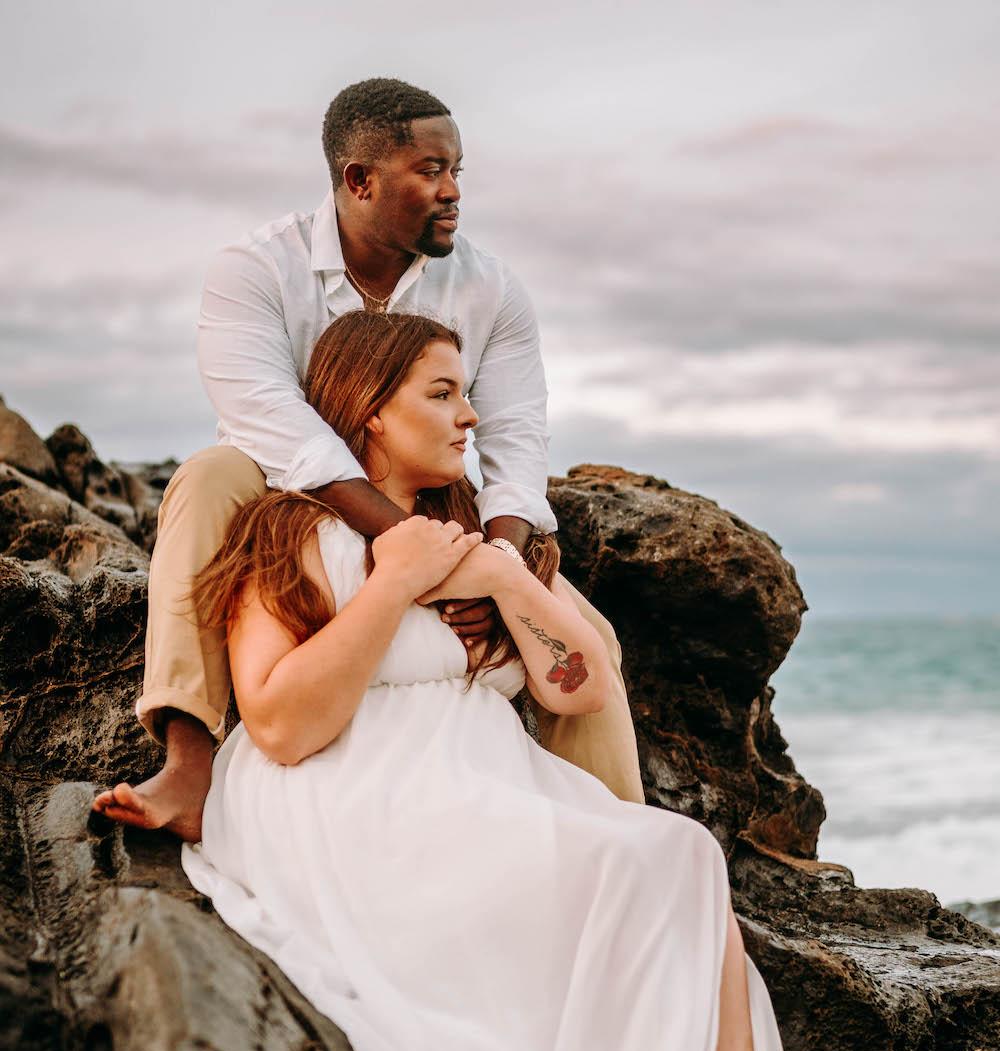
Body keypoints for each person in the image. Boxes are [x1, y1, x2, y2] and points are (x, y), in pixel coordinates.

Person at [180, 308, 884, 1051]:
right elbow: (280, 720)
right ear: (366, 408)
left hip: (486, 793)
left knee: (676, 864)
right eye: (442, 394)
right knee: (647, 875)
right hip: (353, 813)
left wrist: (503, 579)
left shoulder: (465, 539)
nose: (471, 416)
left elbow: (568, 687)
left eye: (468, 393)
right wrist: (388, 583)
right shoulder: (287, 534)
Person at [91, 76, 643, 840]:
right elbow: (271, 421)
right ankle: (189, 760)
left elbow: (515, 441)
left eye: (458, 172)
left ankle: (613, 837)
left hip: (428, 499)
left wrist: (499, 566)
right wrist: (409, 548)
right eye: (429, 171)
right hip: (285, 486)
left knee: (593, 639)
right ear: (359, 180)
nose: (453, 191)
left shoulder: (490, 286)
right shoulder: (255, 269)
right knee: (206, 476)